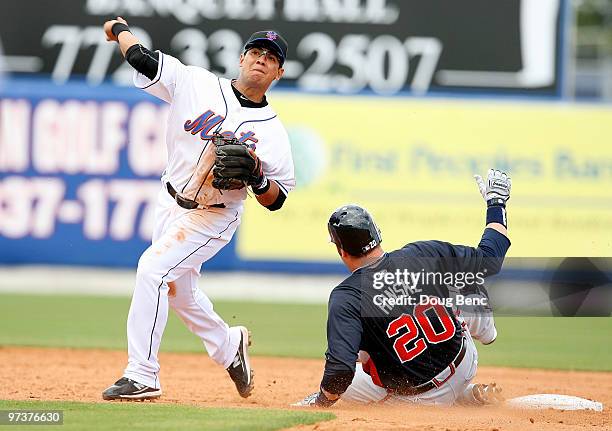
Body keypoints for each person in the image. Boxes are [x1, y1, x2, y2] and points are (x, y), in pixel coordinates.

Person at [101, 17, 295, 401]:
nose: (261, 59)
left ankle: (143, 374)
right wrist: (119, 29)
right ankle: (229, 345)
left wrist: (257, 177)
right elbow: (141, 59)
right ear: (241, 58)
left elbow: (279, 199)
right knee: (180, 293)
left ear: (279, 72)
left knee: (153, 270)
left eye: (270, 57)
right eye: (256, 51)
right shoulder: (195, 82)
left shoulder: (273, 133)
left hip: (215, 214)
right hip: (169, 200)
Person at [293, 169, 511, 407]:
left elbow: (339, 373)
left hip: (422, 399)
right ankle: (479, 358)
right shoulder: (423, 253)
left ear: (341, 251)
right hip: (466, 361)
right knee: (465, 282)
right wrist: (496, 202)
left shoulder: (347, 296)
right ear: (378, 234)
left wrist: (321, 401)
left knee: (351, 367)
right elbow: (490, 259)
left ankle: (458, 400)